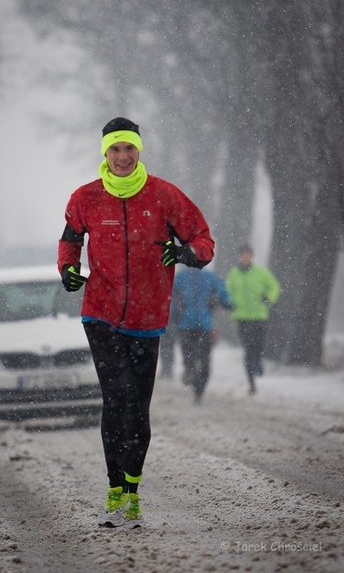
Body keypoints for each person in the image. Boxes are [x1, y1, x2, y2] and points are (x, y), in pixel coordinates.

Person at [57, 117, 215, 528]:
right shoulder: (86, 198)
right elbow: (70, 239)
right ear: (104, 154)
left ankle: (131, 487)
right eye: (115, 149)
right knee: (119, 395)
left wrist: (183, 254)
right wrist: (68, 270)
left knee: (138, 406)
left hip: (148, 315)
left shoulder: (164, 195)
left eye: (129, 149)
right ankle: (113, 486)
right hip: (101, 311)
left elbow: (203, 240)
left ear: (138, 151)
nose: (123, 157)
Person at [171, 266, 232, 403]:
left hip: (203, 325)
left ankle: (199, 390)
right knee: (189, 355)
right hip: (186, 324)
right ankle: (190, 372)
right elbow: (171, 295)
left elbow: (222, 293)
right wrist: (172, 312)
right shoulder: (181, 277)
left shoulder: (210, 277)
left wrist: (227, 302)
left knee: (204, 360)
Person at [226, 245, 280, 394]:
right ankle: (251, 381)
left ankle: (258, 362)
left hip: (259, 316)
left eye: (248, 254)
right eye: (243, 254)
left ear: (252, 256)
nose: (245, 257)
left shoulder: (261, 273)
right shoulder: (233, 274)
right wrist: (229, 304)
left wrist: (269, 298)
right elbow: (227, 291)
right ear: (239, 256)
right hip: (242, 317)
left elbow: (274, 286)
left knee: (259, 346)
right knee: (248, 348)